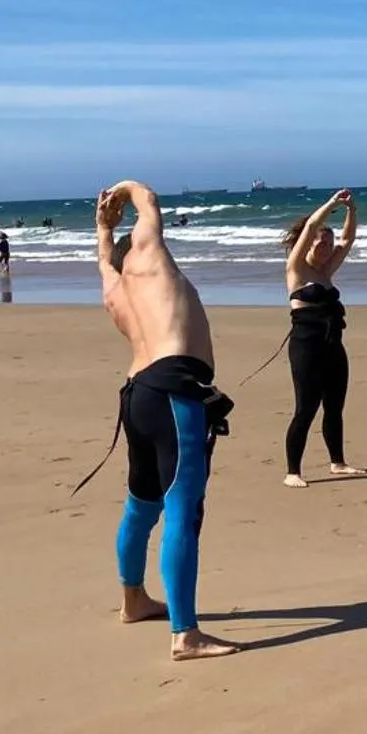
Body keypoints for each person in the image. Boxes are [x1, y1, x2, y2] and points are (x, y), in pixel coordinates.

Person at [92, 180, 240, 660]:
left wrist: (102, 227)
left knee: (141, 506)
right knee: (182, 510)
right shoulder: (150, 258)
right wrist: (126, 189)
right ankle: (186, 634)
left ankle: (133, 599)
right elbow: (149, 202)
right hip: (174, 393)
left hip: (137, 397)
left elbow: (104, 262)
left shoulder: (116, 291)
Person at [282, 190, 365, 488]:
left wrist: (351, 210)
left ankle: (338, 462)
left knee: (334, 407)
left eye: (329, 244)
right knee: (305, 409)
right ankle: (293, 472)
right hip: (306, 348)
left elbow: (348, 239)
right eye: (321, 242)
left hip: (333, 347)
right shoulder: (297, 269)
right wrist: (331, 204)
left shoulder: (326, 271)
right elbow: (310, 227)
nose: (327, 248)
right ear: (309, 243)